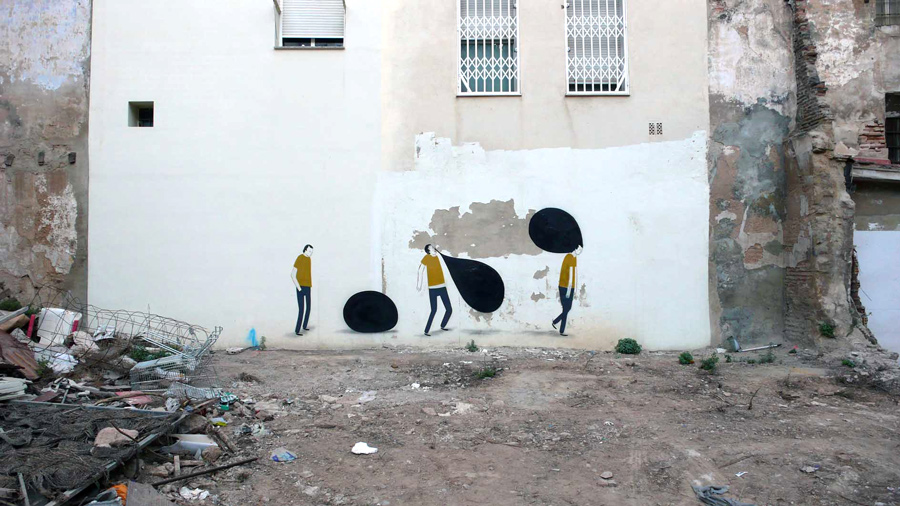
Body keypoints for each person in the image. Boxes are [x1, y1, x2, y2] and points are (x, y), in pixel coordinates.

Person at [417, 244, 452, 336]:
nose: (434, 248)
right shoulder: (427, 257)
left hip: (442, 287)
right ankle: (426, 331)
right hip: (433, 288)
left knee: (449, 309)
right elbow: (420, 270)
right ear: (429, 250)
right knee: (434, 310)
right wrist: (419, 285)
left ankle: (443, 325)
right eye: (432, 247)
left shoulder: (438, 257)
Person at [552, 245, 582, 336]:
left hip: (569, 287)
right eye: (579, 248)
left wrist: (575, 289)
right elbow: (570, 275)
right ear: (575, 248)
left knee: (567, 308)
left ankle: (555, 322)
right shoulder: (570, 257)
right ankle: (561, 330)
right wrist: (570, 290)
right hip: (565, 287)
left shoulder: (573, 258)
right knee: (566, 308)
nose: (580, 250)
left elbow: (574, 274)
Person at [291, 245, 313, 335]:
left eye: (311, 252)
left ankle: (304, 326)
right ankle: (297, 330)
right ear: (305, 250)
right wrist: (299, 288)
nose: (310, 253)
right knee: (301, 309)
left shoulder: (309, 259)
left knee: (308, 307)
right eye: (309, 251)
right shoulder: (300, 258)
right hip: (300, 286)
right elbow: (292, 274)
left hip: (308, 287)